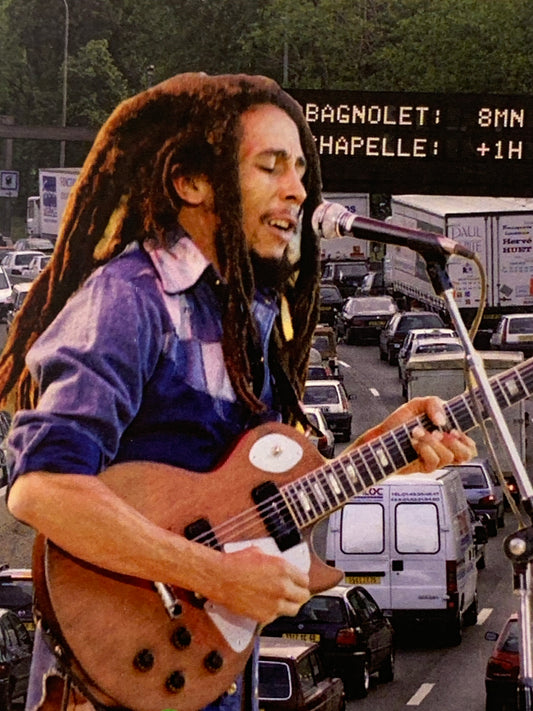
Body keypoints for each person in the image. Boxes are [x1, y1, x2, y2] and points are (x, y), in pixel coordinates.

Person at [0, 73, 476, 711]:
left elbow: (257, 498)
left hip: (216, 679)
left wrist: (387, 447)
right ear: (192, 182)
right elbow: (42, 488)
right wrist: (215, 574)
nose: (297, 189)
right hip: (114, 680)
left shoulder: (247, 312)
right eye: (270, 166)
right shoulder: (130, 300)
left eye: (300, 169)